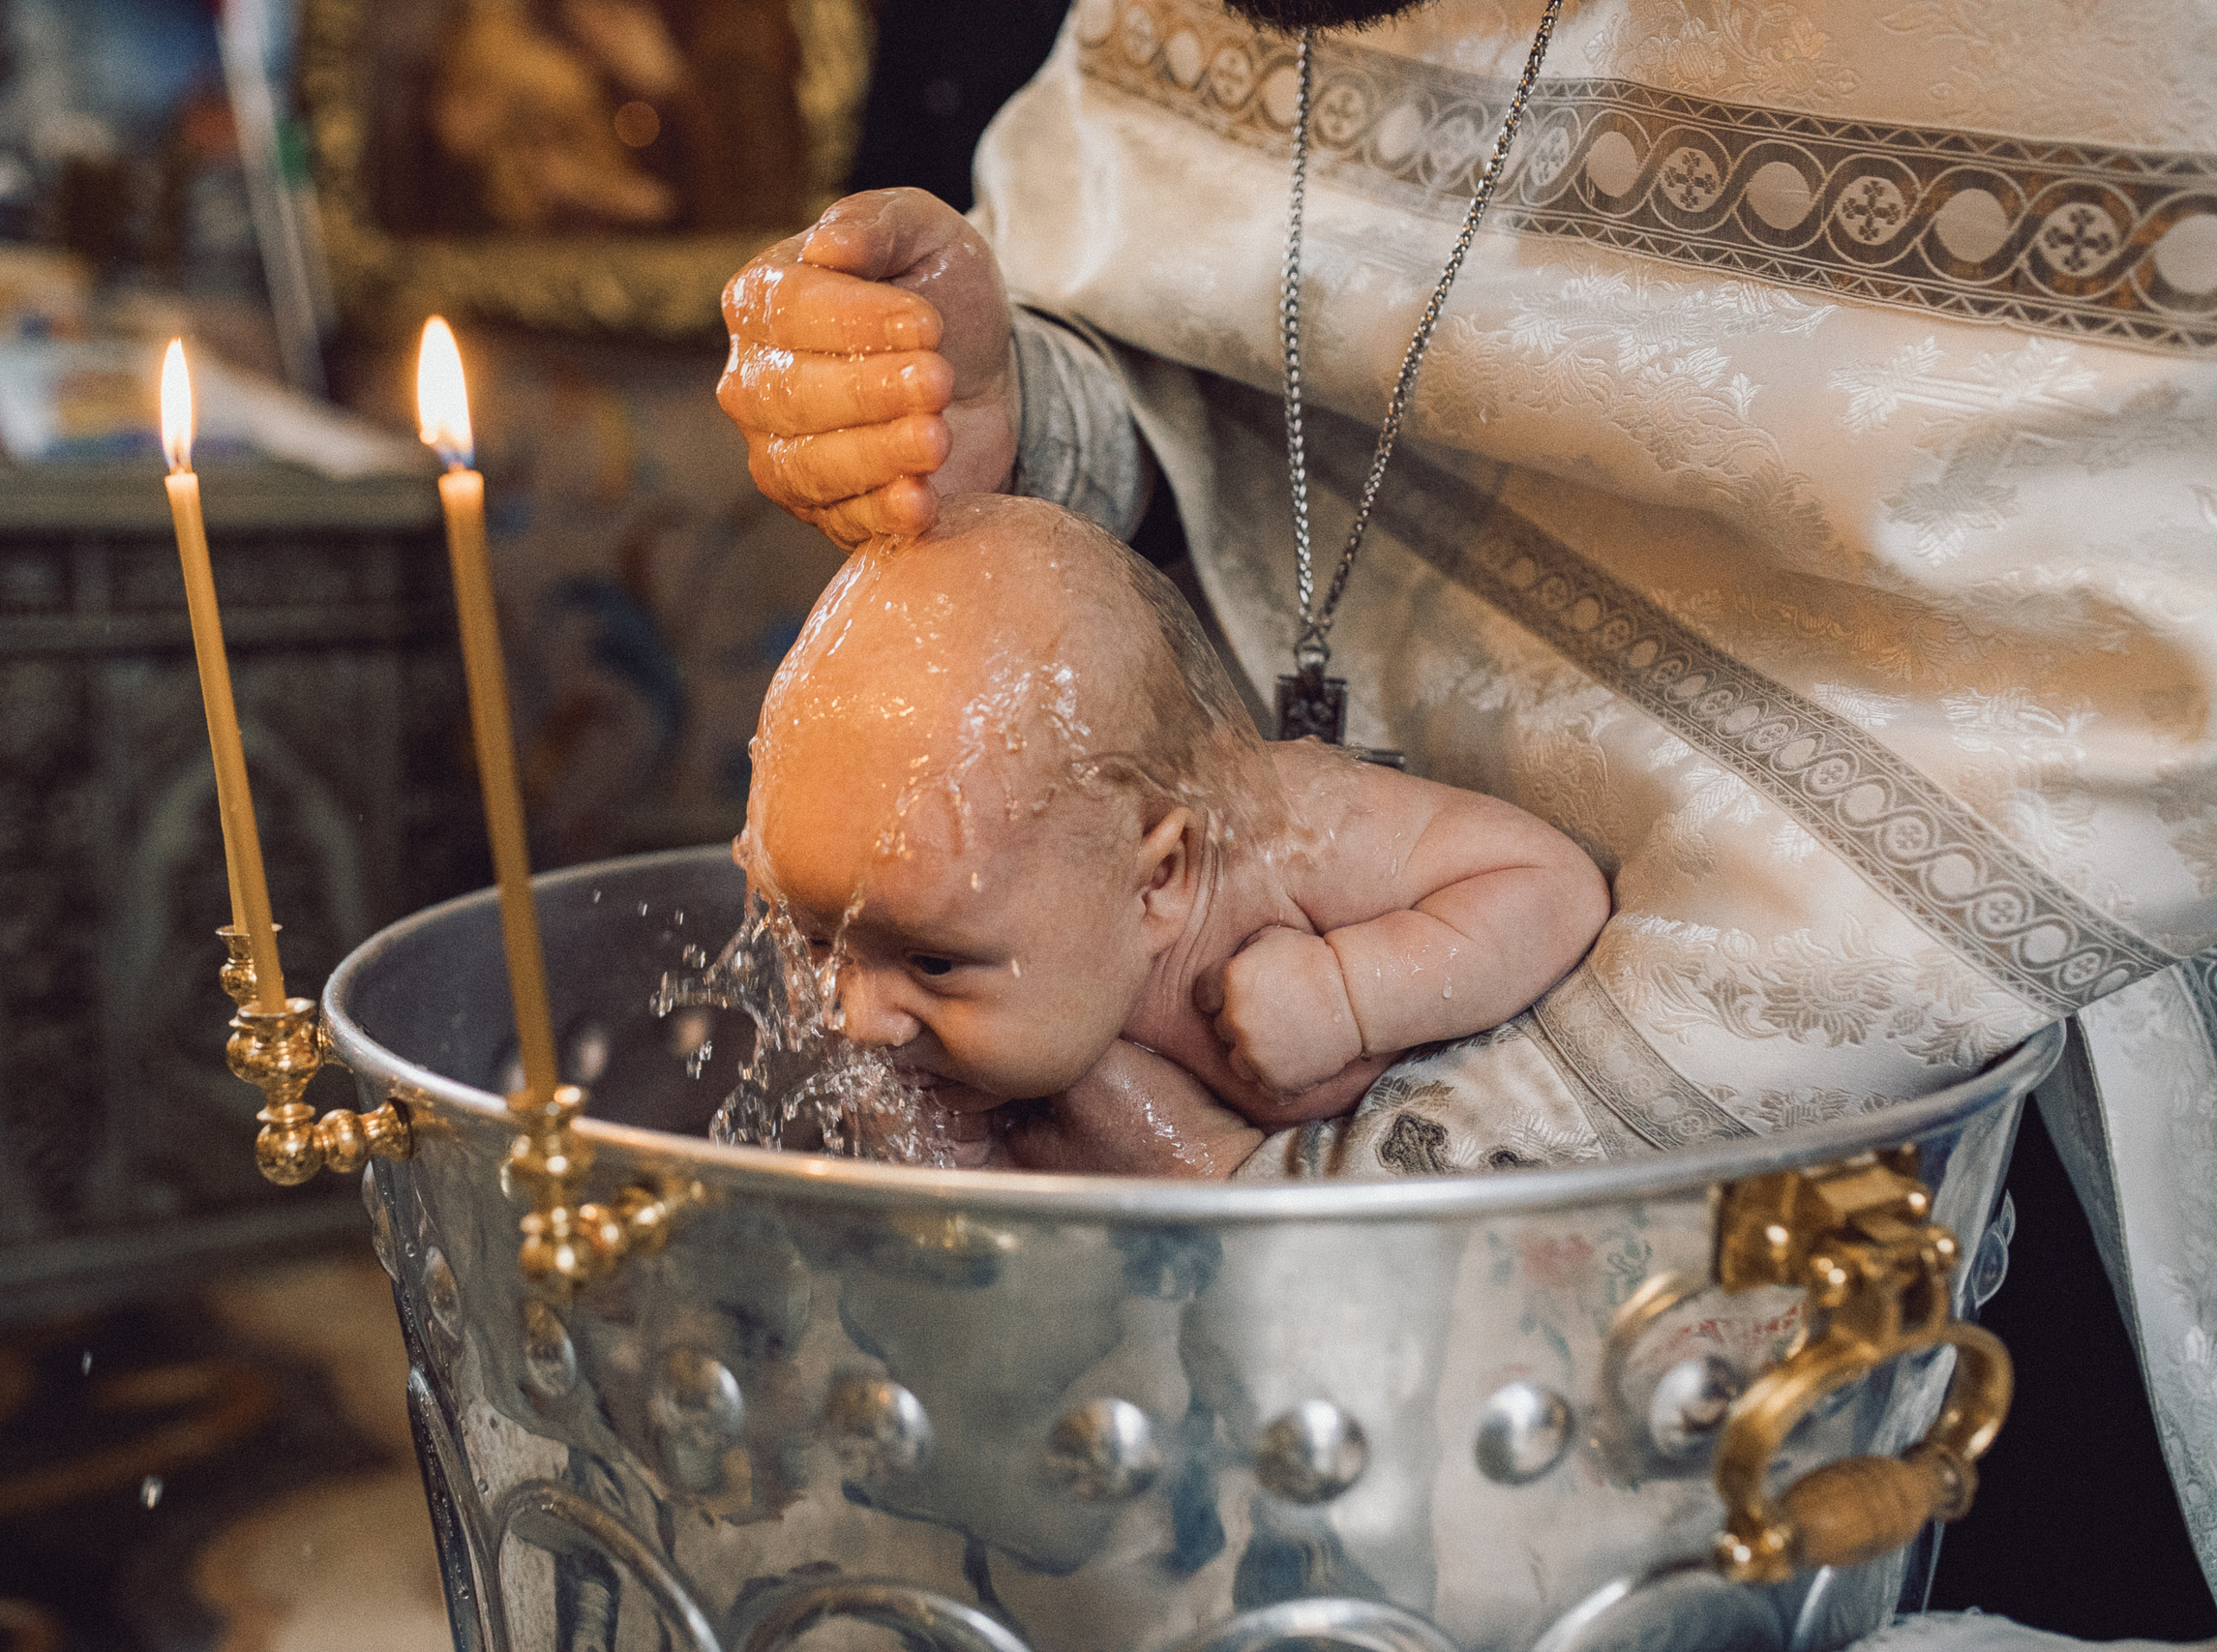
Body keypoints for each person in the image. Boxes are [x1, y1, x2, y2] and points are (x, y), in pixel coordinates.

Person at [716, 0, 2217, 1637]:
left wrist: (1355, 1147)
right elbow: (1223, 372)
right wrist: (1016, 412)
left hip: (1901, 1205)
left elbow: (2130, 619)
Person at [739, 493, 1608, 1173]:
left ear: (1160, 877)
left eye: (932, 962)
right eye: (822, 943)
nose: (856, 1018)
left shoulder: (1292, 837)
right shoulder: (981, 958)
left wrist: (1351, 992)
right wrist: (948, 1150)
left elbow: (1551, 885)